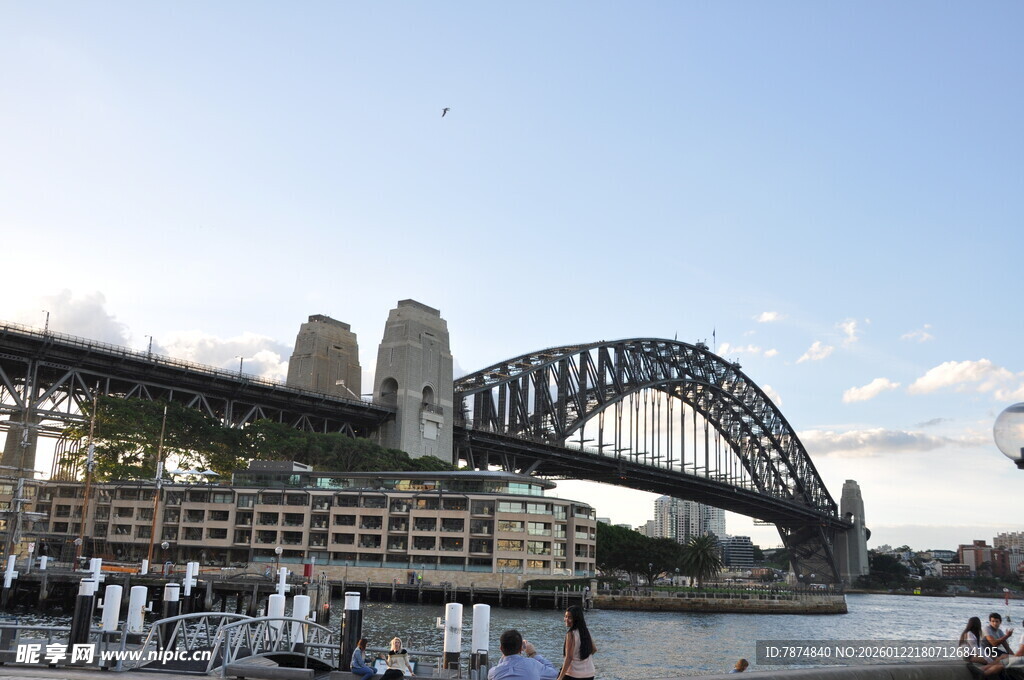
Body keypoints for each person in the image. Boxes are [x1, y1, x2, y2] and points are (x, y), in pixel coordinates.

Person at [488, 629, 558, 680]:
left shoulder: (493, 672)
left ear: (501, 648)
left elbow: (500, 667)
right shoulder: (533, 665)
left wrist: (504, 655)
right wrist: (533, 653)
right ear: (521, 648)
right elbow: (554, 673)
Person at [556, 605, 596, 680]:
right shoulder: (585, 631)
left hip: (573, 674)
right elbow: (594, 649)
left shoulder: (571, 634)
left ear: (576, 619)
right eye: (565, 616)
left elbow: (569, 657)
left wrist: (560, 678)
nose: (566, 619)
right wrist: (583, 658)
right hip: (589, 674)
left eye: (570, 617)